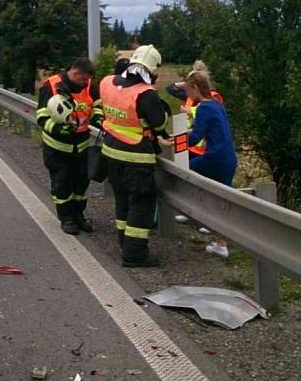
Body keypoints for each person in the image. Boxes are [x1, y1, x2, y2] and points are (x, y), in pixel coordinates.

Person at [100, 45, 171, 267]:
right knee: (141, 204)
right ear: (152, 70)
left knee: (122, 200)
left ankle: (125, 241)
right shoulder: (146, 94)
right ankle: (135, 254)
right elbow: (159, 124)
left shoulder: (107, 82)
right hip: (137, 158)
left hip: (111, 152)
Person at [36, 58, 104, 235]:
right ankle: (66, 218)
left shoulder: (89, 85)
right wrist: (60, 130)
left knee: (81, 185)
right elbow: (42, 118)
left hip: (82, 145)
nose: (86, 83)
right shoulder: (50, 86)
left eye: (88, 80)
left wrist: (98, 118)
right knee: (62, 184)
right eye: (83, 79)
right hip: (57, 147)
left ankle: (79, 214)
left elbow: (97, 106)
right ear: (74, 73)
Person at [184, 71, 238, 258]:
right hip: (228, 158)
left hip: (213, 158)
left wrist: (174, 142)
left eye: (188, 91)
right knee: (221, 199)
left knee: (183, 174)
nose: (187, 96)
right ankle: (221, 243)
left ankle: (192, 214)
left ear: (196, 88)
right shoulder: (217, 105)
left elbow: (196, 137)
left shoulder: (204, 108)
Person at [165, 60, 224, 157]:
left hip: (202, 147)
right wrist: (186, 84)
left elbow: (212, 114)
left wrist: (189, 111)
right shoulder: (191, 94)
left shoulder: (213, 97)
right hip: (188, 143)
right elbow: (170, 88)